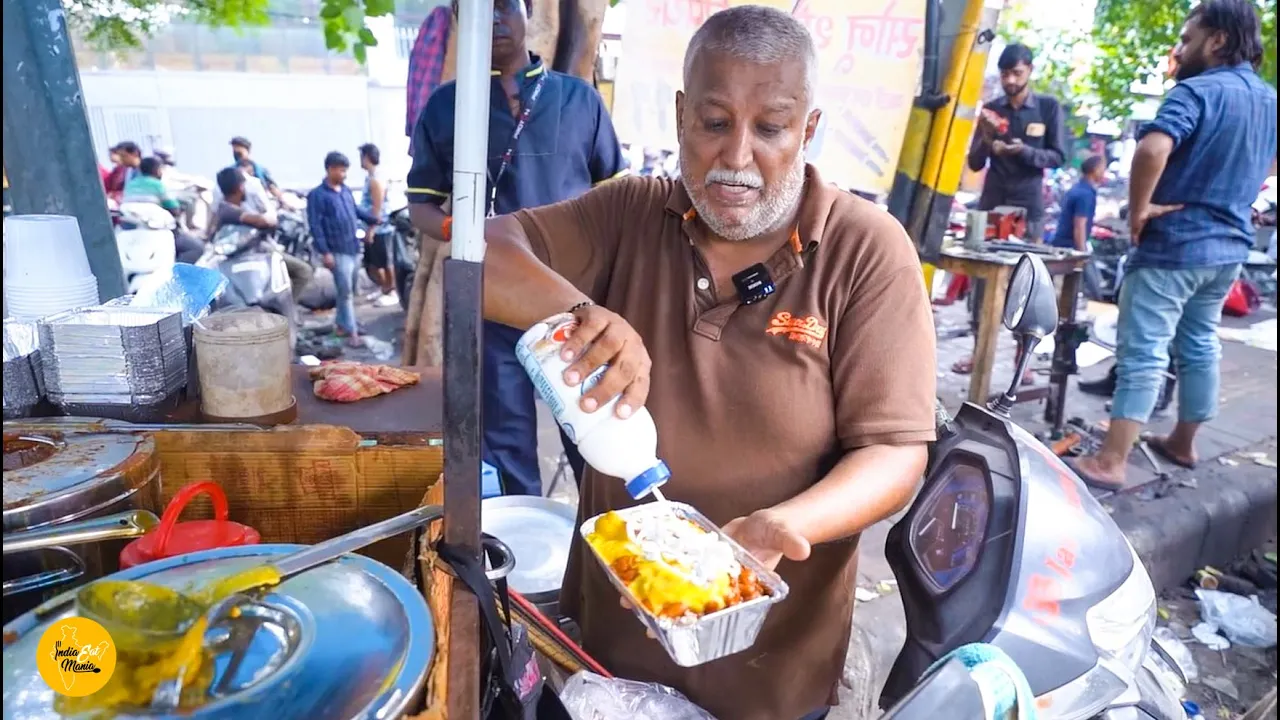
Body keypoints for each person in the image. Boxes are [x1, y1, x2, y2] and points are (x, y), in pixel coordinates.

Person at [413, 7, 936, 719]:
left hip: (770, 682)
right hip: (605, 666)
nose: (736, 157)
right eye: (714, 123)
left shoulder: (865, 250)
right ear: (682, 116)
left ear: (809, 129)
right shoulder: (632, 213)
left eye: (771, 128)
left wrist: (790, 523)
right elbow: (482, 255)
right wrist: (577, 314)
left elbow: (895, 452)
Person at [406, 0, 625, 497]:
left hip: (572, 300)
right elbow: (420, 206)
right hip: (492, 298)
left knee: (594, 429)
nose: (496, 19)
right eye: (479, 11)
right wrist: (460, 232)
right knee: (505, 442)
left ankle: (607, 539)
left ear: (529, 14)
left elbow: (616, 193)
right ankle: (518, 559)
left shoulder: (579, 100)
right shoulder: (447, 106)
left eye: (506, 6)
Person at [1068, 0, 1276, 489]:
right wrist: (1236, 189)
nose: (1180, 50)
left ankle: (1111, 461)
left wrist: (1139, 211)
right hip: (1228, 252)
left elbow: (1152, 147)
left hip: (1174, 247)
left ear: (1217, 40)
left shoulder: (1196, 90)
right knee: (1200, 345)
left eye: (1187, 39)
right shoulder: (1269, 100)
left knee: (1144, 349)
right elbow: (1269, 161)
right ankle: (1184, 441)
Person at [953, 42, 1066, 378]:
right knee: (982, 285)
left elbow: (1057, 156)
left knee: (1027, 285)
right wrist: (987, 139)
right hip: (992, 207)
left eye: (1016, 73)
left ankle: (1023, 361)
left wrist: (1023, 152)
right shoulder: (991, 108)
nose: (1010, 80)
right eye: (1005, 73)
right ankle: (979, 353)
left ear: (1029, 71)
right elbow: (974, 162)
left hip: (1028, 209)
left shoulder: (1047, 107)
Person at [308, 152, 379, 346]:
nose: (344, 174)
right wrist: (325, 252)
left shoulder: (345, 191)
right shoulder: (317, 195)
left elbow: (355, 212)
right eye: (341, 170)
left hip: (353, 248)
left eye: (345, 170)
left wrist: (374, 219)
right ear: (330, 169)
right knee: (345, 291)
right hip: (336, 251)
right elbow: (315, 225)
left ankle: (342, 324)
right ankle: (352, 331)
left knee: (347, 291)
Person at [212, 167, 315, 300]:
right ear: (239, 187)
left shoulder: (230, 208)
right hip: (252, 257)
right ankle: (283, 311)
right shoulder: (228, 210)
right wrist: (269, 217)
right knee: (303, 271)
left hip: (255, 255)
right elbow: (263, 222)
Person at [122, 157, 205, 264]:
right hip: (156, 231)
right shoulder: (158, 185)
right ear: (156, 170)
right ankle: (175, 274)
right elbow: (174, 210)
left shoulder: (130, 185)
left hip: (134, 233)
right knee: (196, 248)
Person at [1051, 154, 1107, 298]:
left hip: (1063, 243)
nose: (1104, 172)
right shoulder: (1085, 194)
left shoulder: (1077, 189)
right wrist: (1081, 252)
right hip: (1071, 245)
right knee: (1083, 287)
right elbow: (1079, 225)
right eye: (1102, 168)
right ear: (1094, 170)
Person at [358, 143, 399, 307]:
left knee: (385, 261)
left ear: (366, 157)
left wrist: (372, 228)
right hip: (374, 227)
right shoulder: (370, 177)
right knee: (373, 262)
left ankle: (392, 291)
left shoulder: (376, 179)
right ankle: (384, 288)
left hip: (381, 228)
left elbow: (378, 205)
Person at [229, 137, 285, 203]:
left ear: (248, 151)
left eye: (239, 153)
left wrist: (281, 200)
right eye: (234, 152)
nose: (236, 155)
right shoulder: (231, 172)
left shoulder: (260, 170)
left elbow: (271, 187)